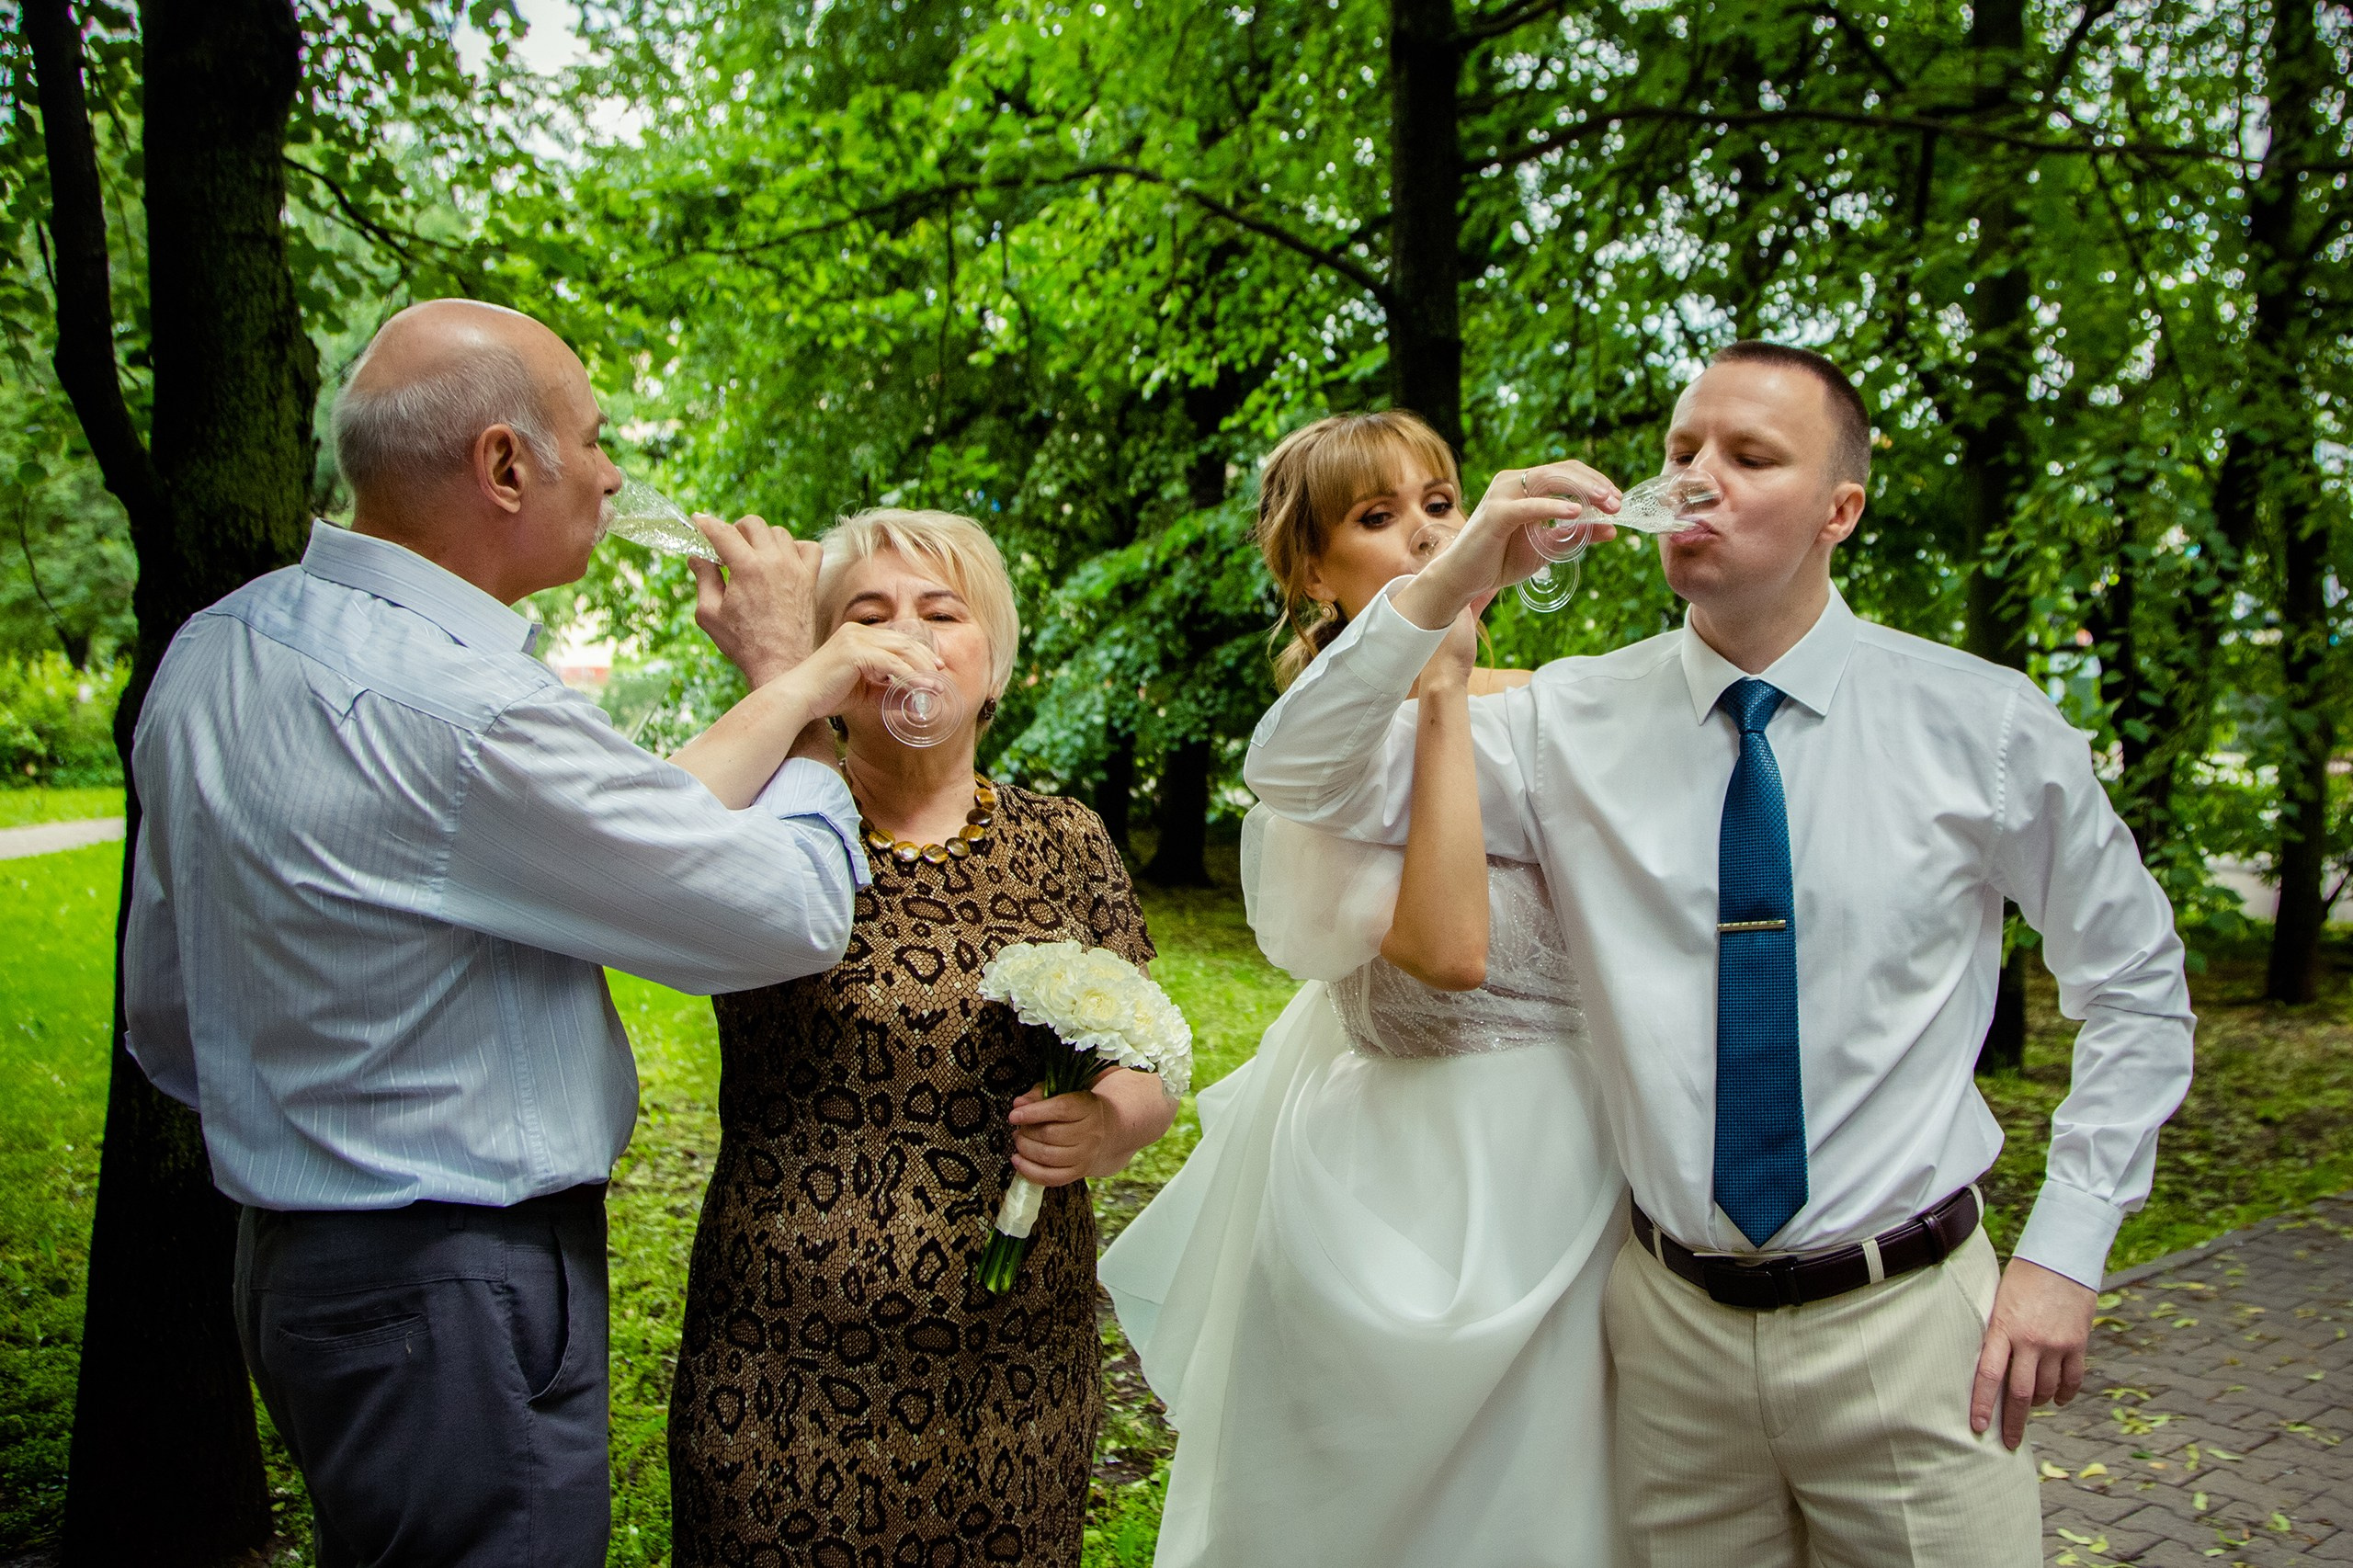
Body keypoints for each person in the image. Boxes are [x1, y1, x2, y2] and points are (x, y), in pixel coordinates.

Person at [1244, 344, 2196, 1566]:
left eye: (1751, 458)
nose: (1698, 481)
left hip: (1910, 1330)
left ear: (1839, 509)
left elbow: (2135, 982)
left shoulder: (1984, 725)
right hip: (1667, 1340)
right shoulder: (1562, 725)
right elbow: (1298, 773)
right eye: (1683, 452)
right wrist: (1463, 568)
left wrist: (2067, 1247)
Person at [121, 300, 931, 1568]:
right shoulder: (464, 711)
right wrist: (811, 692)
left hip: (300, 1269)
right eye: (596, 439)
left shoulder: (219, 649)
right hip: (457, 1288)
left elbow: (169, 1013)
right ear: (505, 465)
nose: (614, 474)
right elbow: (789, 910)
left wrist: (787, 685)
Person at [1098, 411, 1625, 1568]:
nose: (1429, 535)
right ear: (1312, 570)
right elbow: (1447, 950)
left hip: (1579, 1146)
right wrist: (1438, 678)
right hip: (1412, 1163)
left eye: (1442, 503)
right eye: (1376, 518)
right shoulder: (1330, 743)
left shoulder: (1556, 701)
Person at [666, 506, 1176, 1568]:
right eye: (866, 615)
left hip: (1013, 1373)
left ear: (992, 662)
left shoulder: (1064, 837)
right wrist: (793, 689)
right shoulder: (774, 817)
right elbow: (638, 837)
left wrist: (1109, 1124)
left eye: (941, 612)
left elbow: (1150, 1050)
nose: (904, 636)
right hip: (783, 1363)